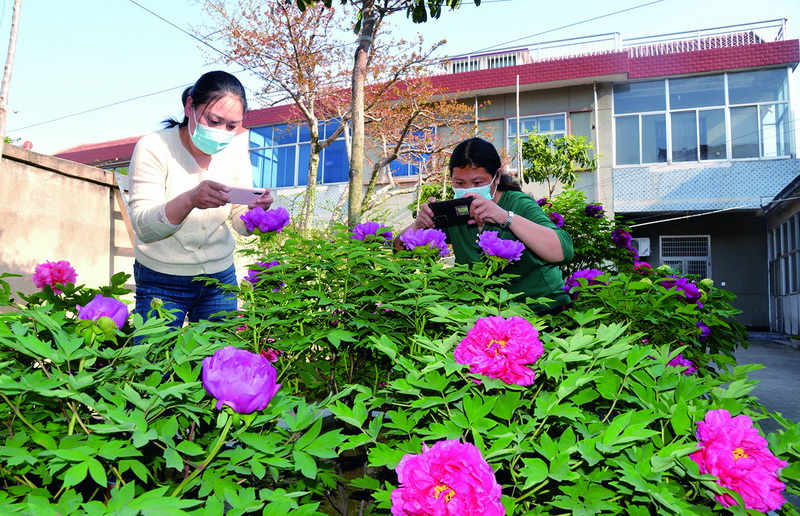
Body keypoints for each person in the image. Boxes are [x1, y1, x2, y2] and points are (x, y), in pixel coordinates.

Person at [127, 70, 274, 329]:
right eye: (214, 120)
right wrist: (190, 200)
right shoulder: (154, 148)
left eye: (231, 126)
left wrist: (256, 214)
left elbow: (240, 219)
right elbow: (144, 227)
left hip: (219, 279)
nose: (222, 132)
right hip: (161, 279)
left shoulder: (234, 152)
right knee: (154, 364)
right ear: (190, 106)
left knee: (219, 362)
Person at [394, 137, 573, 314]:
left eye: (478, 182)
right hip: (486, 316)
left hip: (542, 310)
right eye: (459, 183)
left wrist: (505, 217)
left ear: (496, 177)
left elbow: (562, 252)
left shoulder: (518, 203)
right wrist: (419, 224)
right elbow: (400, 250)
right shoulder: (455, 210)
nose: (469, 189)